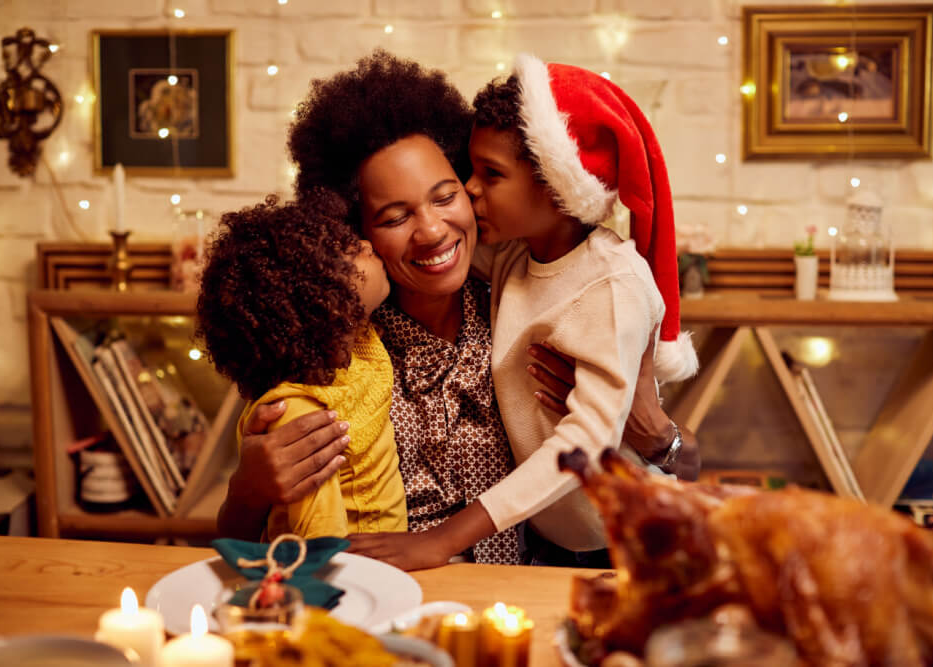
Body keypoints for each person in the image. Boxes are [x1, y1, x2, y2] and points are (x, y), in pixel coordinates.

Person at [217, 51, 701, 568]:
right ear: (355, 230)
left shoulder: (530, 297)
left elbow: (686, 464)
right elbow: (241, 551)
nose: (430, 231)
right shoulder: (329, 349)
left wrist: (656, 432)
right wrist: (248, 490)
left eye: (447, 196)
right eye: (395, 215)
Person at [196, 193, 406, 540]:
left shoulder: (359, 343)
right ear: (325, 304)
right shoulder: (300, 413)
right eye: (351, 252)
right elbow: (321, 540)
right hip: (350, 573)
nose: (368, 245)